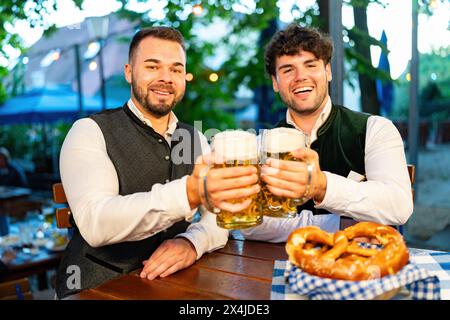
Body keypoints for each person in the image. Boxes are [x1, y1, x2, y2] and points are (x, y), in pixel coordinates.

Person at [56, 26, 259, 298]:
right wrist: (188, 193)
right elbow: (96, 223)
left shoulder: (194, 137)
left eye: (176, 69)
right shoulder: (89, 130)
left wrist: (191, 242)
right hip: (95, 286)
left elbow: (218, 219)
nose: (166, 78)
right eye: (153, 66)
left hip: (175, 284)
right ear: (129, 72)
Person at [240, 24, 413, 242]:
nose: (300, 76)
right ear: (275, 83)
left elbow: (398, 206)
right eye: (287, 70)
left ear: (328, 71)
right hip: (280, 266)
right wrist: (340, 224)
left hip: (364, 265)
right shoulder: (260, 145)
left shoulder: (375, 129)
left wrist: (322, 186)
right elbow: (251, 225)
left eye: (310, 65)